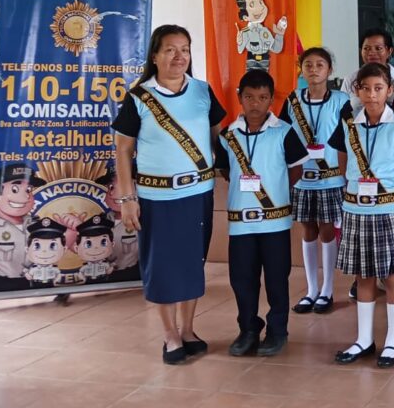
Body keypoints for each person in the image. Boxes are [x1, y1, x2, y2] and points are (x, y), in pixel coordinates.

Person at [112, 24, 226, 364]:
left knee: (192, 263)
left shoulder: (203, 92)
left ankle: (188, 329)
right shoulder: (139, 97)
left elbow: (218, 138)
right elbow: (122, 151)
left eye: (185, 50)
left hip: (198, 194)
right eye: (171, 50)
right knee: (161, 267)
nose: (179, 57)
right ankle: (170, 334)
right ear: (155, 55)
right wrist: (127, 199)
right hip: (156, 199)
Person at [328, 62, 394, 368]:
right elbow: (343, 159)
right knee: (363, 275)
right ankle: (364, 339)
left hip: (389, 209)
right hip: (356, 209)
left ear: (389, 91)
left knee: (391, 275)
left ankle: (393, 340)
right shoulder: (349, 125)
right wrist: (353, 187)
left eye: (378, 88)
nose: (371, 94)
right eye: (365, 88)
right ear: (357, 91)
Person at [218, 70, 308, 357]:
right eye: (249, 97)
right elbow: (225, 170)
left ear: (271, 100)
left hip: (275, 222)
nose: (255, 103)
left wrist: (275, 191)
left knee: (276, 278)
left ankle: (277, 330)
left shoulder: (284, 131)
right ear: (240, 98)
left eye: (262, 97)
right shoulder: (228, 135)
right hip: (241, 223)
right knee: (242, 279)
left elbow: (296, 169)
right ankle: (248, 329)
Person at [283, 48, 351, 315]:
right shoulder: (292, 100)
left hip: (331, 178)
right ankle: (311, 289)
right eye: (308, 65)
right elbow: (284, 136)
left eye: (319, 65)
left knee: (326, 230)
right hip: (303, 179)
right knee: (307, 229)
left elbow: (350, 138)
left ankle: (327, 289)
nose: (313, 70)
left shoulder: (342, 100)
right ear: (301, 69)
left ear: (329, 70)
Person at [346, 28, 394, 112]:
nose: (371, 53)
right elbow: (342, 110)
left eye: (378, 48)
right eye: (366, 48)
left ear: (389, 51)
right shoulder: (350, 79)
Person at [0, 163, 39, 283]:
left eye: (28, 190)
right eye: (15, 190)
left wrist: (73, 229)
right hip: (4, 285)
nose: (25, 197)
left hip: (38, 284)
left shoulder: (37, 225)